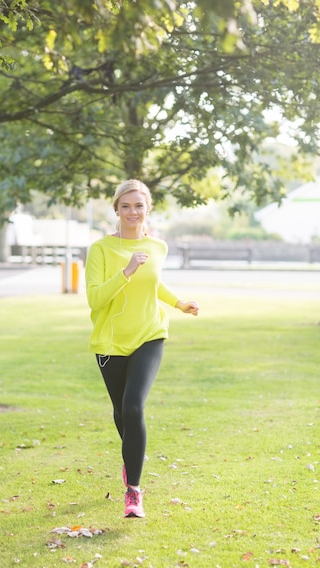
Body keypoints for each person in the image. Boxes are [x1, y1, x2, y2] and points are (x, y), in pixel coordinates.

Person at [85, 179, 199, 518]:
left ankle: (133, 491)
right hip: (110, 342)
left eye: (139, 206)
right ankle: (130, 459)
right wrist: (126, 271)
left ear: (147, 209)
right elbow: (95, 298)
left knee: (134, 407)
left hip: (150, 334)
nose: (132, 212)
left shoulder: (157, 247)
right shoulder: (101, 249)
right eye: (126, 206)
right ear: (117, 210)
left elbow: (155, 282)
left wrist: (179, 303)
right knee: (121, 414)